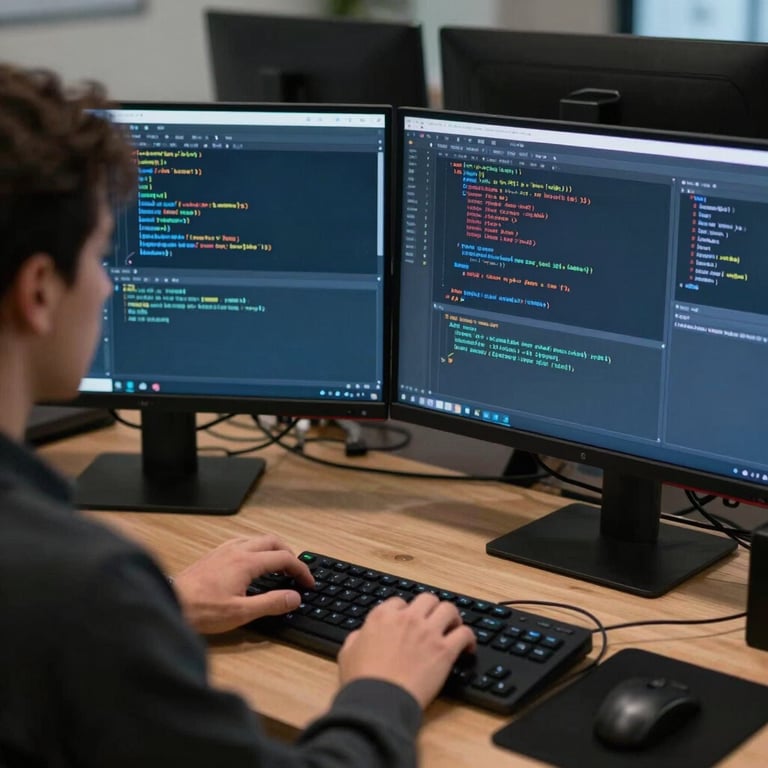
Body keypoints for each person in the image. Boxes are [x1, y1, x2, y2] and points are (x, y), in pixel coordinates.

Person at [0, 64, 476, 767]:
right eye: (101, 254)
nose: (107, 284)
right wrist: (384, 687)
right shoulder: (71, 586)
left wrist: (156, 612)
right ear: (39, 289)